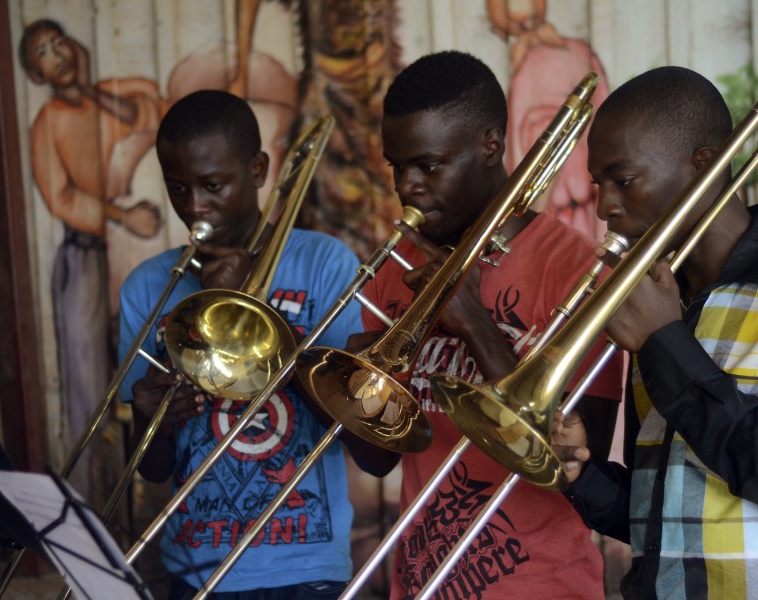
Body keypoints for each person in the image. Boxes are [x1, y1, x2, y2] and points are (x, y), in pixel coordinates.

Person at [350, 50, 625, 599]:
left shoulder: (573, 269)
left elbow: (571, 464)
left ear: (491, 146)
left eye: (428, 166)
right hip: (423, 582)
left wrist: (475, 324)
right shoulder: (397, 266)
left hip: (544, 586)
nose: (407, 187)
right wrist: (361, 378)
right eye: (396, 167)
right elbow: (377, 460)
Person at [118, 90, 364, 599]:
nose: (194, 207)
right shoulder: (149, 285)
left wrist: (261, 310)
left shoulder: (325, 264)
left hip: (306, 564)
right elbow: (155, 468)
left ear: (257, 170)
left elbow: (354, 426)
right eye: (177, 187)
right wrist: (149, 419)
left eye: (212, 185)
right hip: (194, 566)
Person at [553, 66, 758, 598]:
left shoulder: (656, 324)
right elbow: (660, 516)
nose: (603, 208)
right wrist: (583, 474)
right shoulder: (658, 305)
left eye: (624, 181)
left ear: (703, 167)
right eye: (599, 186)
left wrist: (665, 344)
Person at [19, 18, 164, 449]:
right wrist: (121, 216)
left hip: (133, 257)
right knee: (89, 386)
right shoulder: (47, 123)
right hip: (84, 258)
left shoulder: (109, 95)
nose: (57, 55)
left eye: (58, 43)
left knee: (147, 369)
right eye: (43, 53)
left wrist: (88, 90)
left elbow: (147, 111)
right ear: (35, 75)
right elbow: (62, 198)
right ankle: (91, 498)